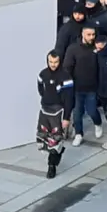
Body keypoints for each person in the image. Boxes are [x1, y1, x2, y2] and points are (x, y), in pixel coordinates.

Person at [36, 50, 74, 180]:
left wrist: (67, 117)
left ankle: (51, 166)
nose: (53, 64)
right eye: (50, 62)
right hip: (45, 110)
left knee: (56, 139)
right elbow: (40, 88)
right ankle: (56, 155)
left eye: (55, 62)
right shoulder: (43, 74)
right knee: (43, 138)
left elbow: (69, 98)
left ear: (60, 61)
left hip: (59, 111)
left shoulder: (66, 76)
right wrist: (46, 98)